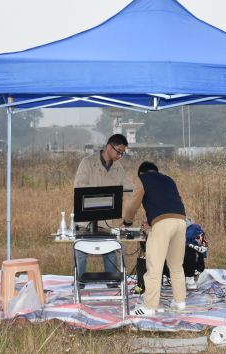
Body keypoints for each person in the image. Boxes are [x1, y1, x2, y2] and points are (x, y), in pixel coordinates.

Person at [123, 161, 187, 316]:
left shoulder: (142, 179)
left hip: (162, 225)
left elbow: (133, 205)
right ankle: (180, 302)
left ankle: (149, 307)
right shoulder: (168, 179)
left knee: (154, 268)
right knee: (176, 266)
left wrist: (127, 222)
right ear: (156, 171)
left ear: (141, 173)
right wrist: (151, 220)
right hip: (180, 221)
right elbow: (166, 203)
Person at [73, 134, 133, 279]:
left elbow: (130, 187)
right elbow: (79, 186)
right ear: (109, 147)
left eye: (122, 153)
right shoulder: (87, 162)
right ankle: (79, 283)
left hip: (106, 221)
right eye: (118, 152)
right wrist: (103, 192)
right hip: (84, 221)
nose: (120, 156)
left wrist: (143, 193)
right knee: (80, 251)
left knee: (111, 251)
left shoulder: (118, 167)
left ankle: (113, 284)